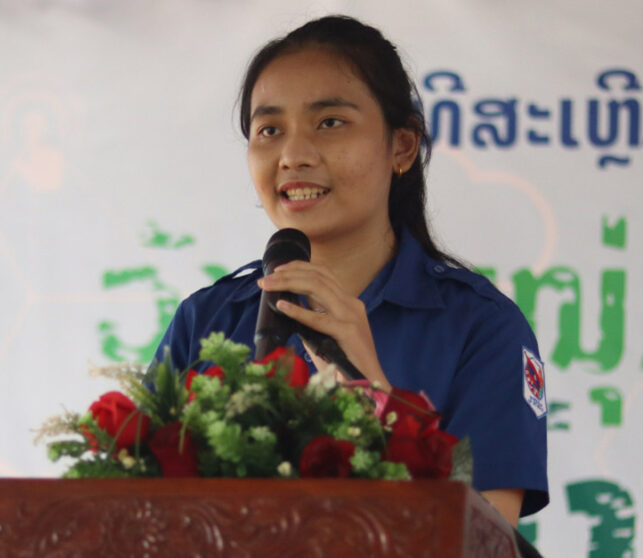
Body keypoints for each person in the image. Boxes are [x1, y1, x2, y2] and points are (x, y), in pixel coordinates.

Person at [153, 15, 547, 526]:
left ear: (402, 147)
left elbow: (484, 540)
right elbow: (140, 518)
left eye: (330, 123)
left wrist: (373, 395)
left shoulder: (481, 328)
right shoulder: (205, 319)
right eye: (269, 130)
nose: (293, 156)